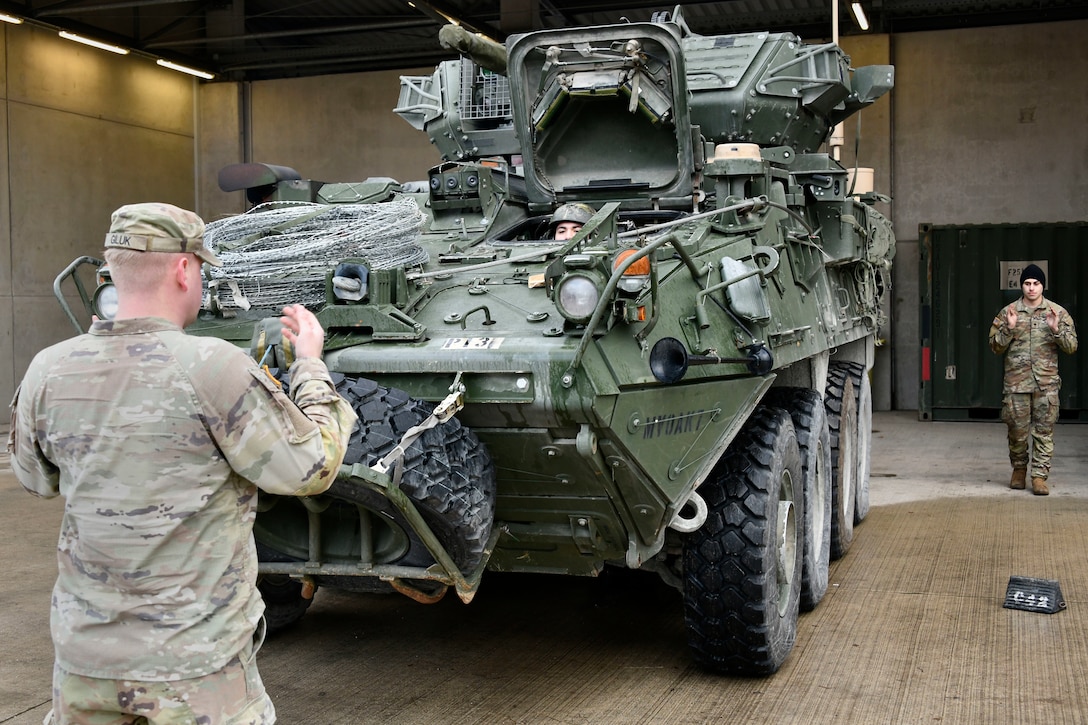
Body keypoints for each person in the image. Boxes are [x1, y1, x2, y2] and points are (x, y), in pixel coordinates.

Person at [7, 202, 358, 723]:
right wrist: (309, 365)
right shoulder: (214, 367)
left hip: (85, 660)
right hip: (194, 666)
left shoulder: (47, 369)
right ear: (183, 269)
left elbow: (35, 479)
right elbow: (313, 466)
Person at [988, 263, 1077, 495]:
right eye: (1027, 283)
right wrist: (1009, 328)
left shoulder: (1057, 313)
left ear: (1042, 286)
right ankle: (1019, 470)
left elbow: (1072, 347)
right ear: (1022, 286)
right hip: (1016, 384)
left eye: (1036, 283)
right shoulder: (1009, 312)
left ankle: (1039, 477)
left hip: (1045, 384)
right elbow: (995, 347)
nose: (1031, 288)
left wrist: (1056, 330)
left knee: (1044, 432)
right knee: (1016, 430)